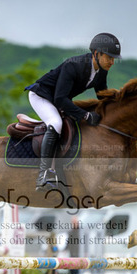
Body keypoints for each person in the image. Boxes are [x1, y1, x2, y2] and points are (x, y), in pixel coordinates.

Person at [25, 32, 121, 191]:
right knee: (56, 123)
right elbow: (60, 99)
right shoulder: (73, 65)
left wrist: (119, 106)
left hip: (58, 99)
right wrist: (85, 115)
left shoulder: (102, 70)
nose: (112, 62)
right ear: (96, 53)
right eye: (109, 57)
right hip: (41, 95)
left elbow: (102, 96)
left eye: (114, 58)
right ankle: (43, 175)